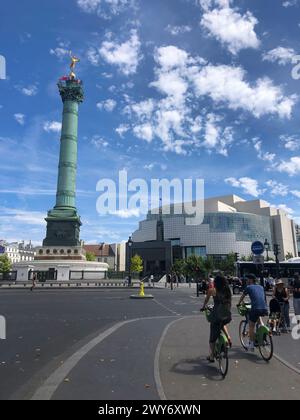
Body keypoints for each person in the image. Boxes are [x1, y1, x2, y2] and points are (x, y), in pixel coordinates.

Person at [200, 274, 232, 363]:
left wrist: (203, 307)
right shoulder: (228, 291)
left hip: (217, 315)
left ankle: (211, 356)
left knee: (212, 337)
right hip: (227, 315)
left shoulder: (212, 290)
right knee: (222, 323)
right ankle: (228, 337)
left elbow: (206, 301)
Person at [238, 274, 268, 351]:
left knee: (251, 326)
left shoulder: (248, 287)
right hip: (264, 308)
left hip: (255, 309)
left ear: (251, 280)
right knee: (258, 317)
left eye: (247, 279)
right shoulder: (261, 287)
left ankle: (251, 344)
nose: (246, 281)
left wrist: (238, 303)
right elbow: (261, 298)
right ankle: (262, 328)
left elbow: (242, 297)